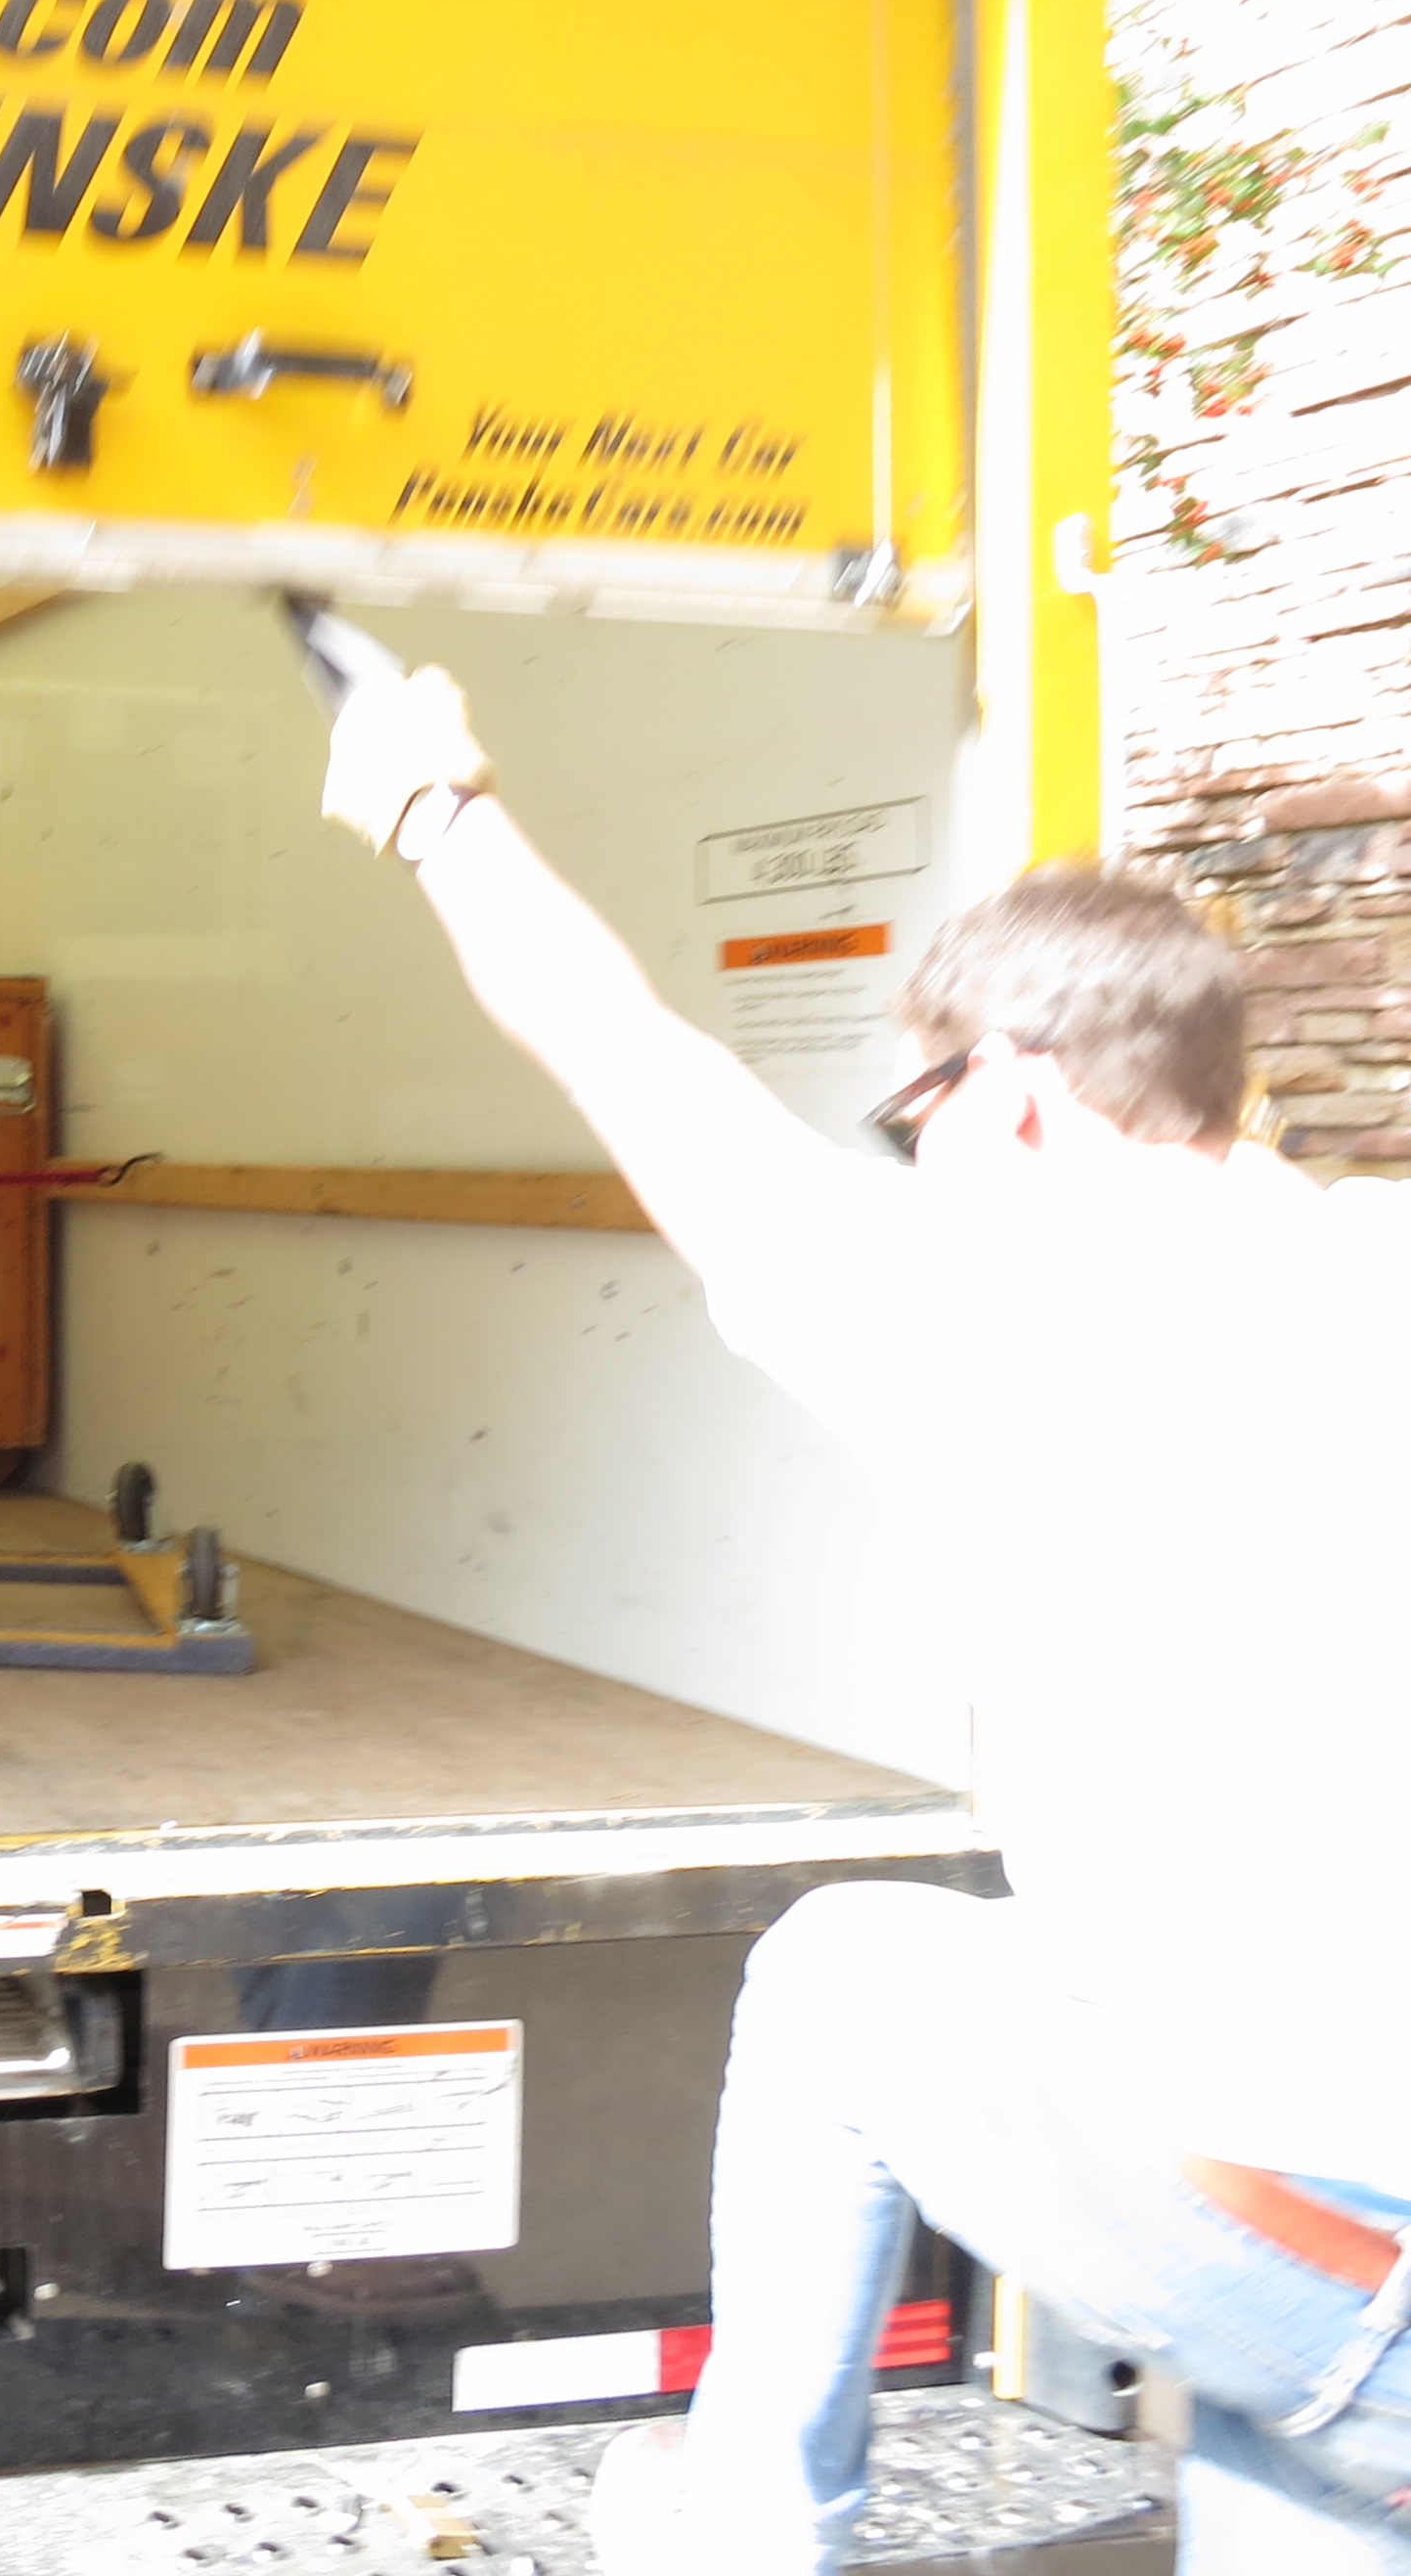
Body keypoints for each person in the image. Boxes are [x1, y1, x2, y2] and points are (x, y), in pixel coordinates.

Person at [315, 653, 1411, 2570]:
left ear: (1014, 1100)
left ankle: (752, 2539)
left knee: (840, 1975)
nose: (913, 1162)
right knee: (1287, 2414)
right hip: (1347, 2290)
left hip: (1302, 2250)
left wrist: (431, 807)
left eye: (916, 1116)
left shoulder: (994, 1327)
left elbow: (625, 1049)